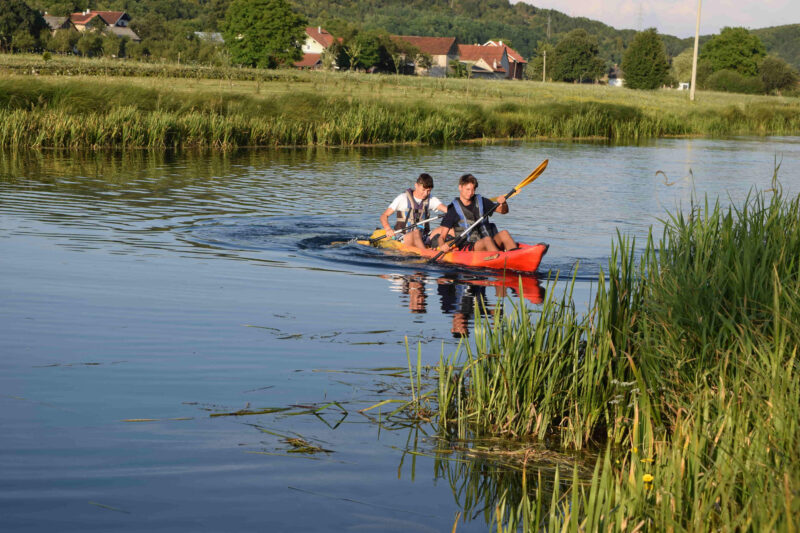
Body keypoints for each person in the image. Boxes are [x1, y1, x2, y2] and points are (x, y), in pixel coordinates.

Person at [432, 173, 517, 252]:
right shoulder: (453, 210)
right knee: (487, 240)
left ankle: (515, 255)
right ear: (460, 187)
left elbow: (504, 211)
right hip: (468, 246)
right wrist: (442, 245)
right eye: (467, 189)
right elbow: (441, 237)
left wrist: (504, 203)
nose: (470, 193)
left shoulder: (482, 201)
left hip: (488, 241)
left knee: (504, 233)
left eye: (473, 190)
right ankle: (499, 259)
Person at [379, 173, 448, 249]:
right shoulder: (402, 198)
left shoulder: (431, 199)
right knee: (416, 232)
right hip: (403, 237)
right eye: (423, 190)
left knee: (449, 229)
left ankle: (448, 247)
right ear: (416, 185)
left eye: (428, 191)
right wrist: (388, 229)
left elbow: (447, 210)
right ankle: (425, 252)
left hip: (423, 237)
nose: (425, 193)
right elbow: (384, 216)